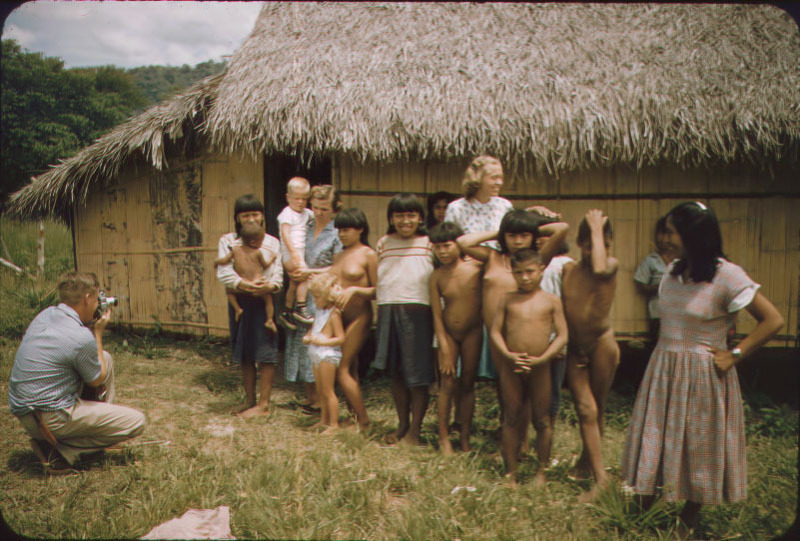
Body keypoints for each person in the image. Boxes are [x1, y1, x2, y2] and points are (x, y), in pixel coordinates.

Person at [621, 202, 783, 539]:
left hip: (702, 375)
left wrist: (734, 354)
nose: (664, 239)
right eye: (664, 231)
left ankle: (689, 518)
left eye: (671, 231)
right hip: (664, 367)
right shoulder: (671, 271)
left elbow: (773, 320)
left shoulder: (728, 275)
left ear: (694, 235)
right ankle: (638, 512)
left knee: (698, 443)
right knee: (657, 436)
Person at [8, 272, 145, 474]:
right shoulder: (80, 337)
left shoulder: (45, 315)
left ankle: (74, 436)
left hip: (26, 412)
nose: (98, 303)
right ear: (88, 298)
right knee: (137, 421)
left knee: (104, 358)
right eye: (97, 297)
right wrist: (97, 334)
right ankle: (61, 451)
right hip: (50, 419)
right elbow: (96, 379)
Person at [458, 209, 569, 455]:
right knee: (506, 386)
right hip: (495, 335)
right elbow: (463, 242)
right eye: (511, 236)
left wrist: (532, 225)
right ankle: (510, 437)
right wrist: (499, 231)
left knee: (528, 388)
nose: (517, 241)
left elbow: (561, 229)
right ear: (503, 236)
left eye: (523, 235)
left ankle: (524, 443)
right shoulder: (493, 257)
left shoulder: (537, 258)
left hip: (524, 334)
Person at [489, 249, 567, 486]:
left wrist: (545, 358)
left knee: (542, 420)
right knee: (511, 417)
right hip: (512, 366)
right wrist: (508, 355)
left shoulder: (552, 301)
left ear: (541, 269)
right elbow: (494, 331)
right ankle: (510, 473)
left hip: (540, 366)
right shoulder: (507, 299)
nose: (524, 278)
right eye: (518, 273)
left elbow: (563, 335)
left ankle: (541, 471)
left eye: (530, 272)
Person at [561, 209, 619, 500]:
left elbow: (597, 267)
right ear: (579, 243)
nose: (598, 249)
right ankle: (601, 477)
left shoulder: (609, 265)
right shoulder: (568, 270)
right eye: (592, 243)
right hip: (575, 349)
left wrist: (598, 228)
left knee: (599, 407)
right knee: (586, 410)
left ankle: (591, 465)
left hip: (602, 344)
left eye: (605, 244)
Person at [372, 193, 435, 446]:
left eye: (411, 215)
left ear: (420, 217)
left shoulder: (429, 243)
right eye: (399, 215)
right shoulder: (384, 243)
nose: (405, 220)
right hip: (388, 308)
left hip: (418, 311)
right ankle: (403, 425)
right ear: (391, 218)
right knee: (396, 372)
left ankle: (415, 432)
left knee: (417, 374)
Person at [216, 194, 283, 418]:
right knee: (245, 352)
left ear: (263, 216)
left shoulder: (272, 241)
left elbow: (277, 272)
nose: (251, 219)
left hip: (264, 299)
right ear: (237, 218)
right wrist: (244, 285)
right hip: (241, 299)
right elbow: (224, 271)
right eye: (245, 215)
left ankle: (263, 404)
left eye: (255, 214)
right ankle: (249, 400)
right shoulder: (228, 241)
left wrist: (269, 286)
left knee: (265, 352)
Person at [284, 185, 343, 413]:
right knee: (300, 342)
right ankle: (309, 396)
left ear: (335, 208)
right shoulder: (305, 225)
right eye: (316, 207)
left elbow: (338, 267)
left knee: (317, 341)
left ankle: (322, 398)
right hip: (301, 289)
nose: (319, 212)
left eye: (324, 209)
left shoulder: (337, 232)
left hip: (323, 293)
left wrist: (309, 273)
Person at [429, 221, 483, 454]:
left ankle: (464, 437)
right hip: (449, 333)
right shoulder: (436, 276)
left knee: (468, 384)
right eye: (437, 247)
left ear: (459, 245)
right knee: (447, 384)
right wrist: (443, 345)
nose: (442, 251)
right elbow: (436, 315)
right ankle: (443, 438)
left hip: (473, 332)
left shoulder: (476, 270)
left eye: (447, 246)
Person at [330, 208, 376, 430]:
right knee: (352, 367)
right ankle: (354, 416)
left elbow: (378, 290)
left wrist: (355, 290)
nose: (341, 235)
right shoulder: (338, 255)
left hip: (360, 316)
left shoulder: (368, 254)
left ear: (360, 229)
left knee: (342, 368)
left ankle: (364, 421)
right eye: (339, 230)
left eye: (346, 230)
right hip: (340, 318)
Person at [535, 214, 574, 428]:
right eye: (537, 234)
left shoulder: (565, 263)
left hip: (556, 335)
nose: (541, 239)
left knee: (552, 387)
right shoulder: (528, 263)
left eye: (546, 234)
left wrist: (563, 339)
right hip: (531, 335)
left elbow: (570, 303)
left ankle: (548, 428)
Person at [214, 221, 277, 333]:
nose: (262, 244)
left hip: (243, 283)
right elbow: (265, 265)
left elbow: (224, 260)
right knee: (268, 299)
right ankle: (270, 320)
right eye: (261, 242)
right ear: (253, 243)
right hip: (258, 282)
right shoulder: (257, 252)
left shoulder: (235, 250)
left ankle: (238, 309)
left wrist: (216, 261)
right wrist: (272, 258)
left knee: (229, 291)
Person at [303, 273, 346, 435]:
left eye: (317, 297)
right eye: (313, 297)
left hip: (327, 354)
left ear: (328, 297)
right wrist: (308, 336)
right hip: (315, 352)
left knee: (328, 391)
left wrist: (321, 342)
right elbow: (314, 328)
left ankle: (334, 424)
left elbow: (341, 338)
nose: (314, 301)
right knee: (321, 391)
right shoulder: (319, 312)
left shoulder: (334, 314)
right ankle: (324, 420)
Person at [277, 176, 315, 328]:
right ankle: (301, 307)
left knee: (294, 283)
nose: (300, 202)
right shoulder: (286, 213)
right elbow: (285, 234)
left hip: (299, 252)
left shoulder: (307, 213)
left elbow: (316, 218)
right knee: (305, 277)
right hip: (291, 252)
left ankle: (286, 312)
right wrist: (293, 253)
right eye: (296, 198)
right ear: (288, 197)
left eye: (304, 199)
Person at [633, 216, 675, 348]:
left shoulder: (682, 259)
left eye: (668, 234)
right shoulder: (650, 260)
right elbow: (641, 284)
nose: (663, 239)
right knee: (658, 347)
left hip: (679, 312)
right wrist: (661, 287)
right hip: (657, 312)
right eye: (660, 234)